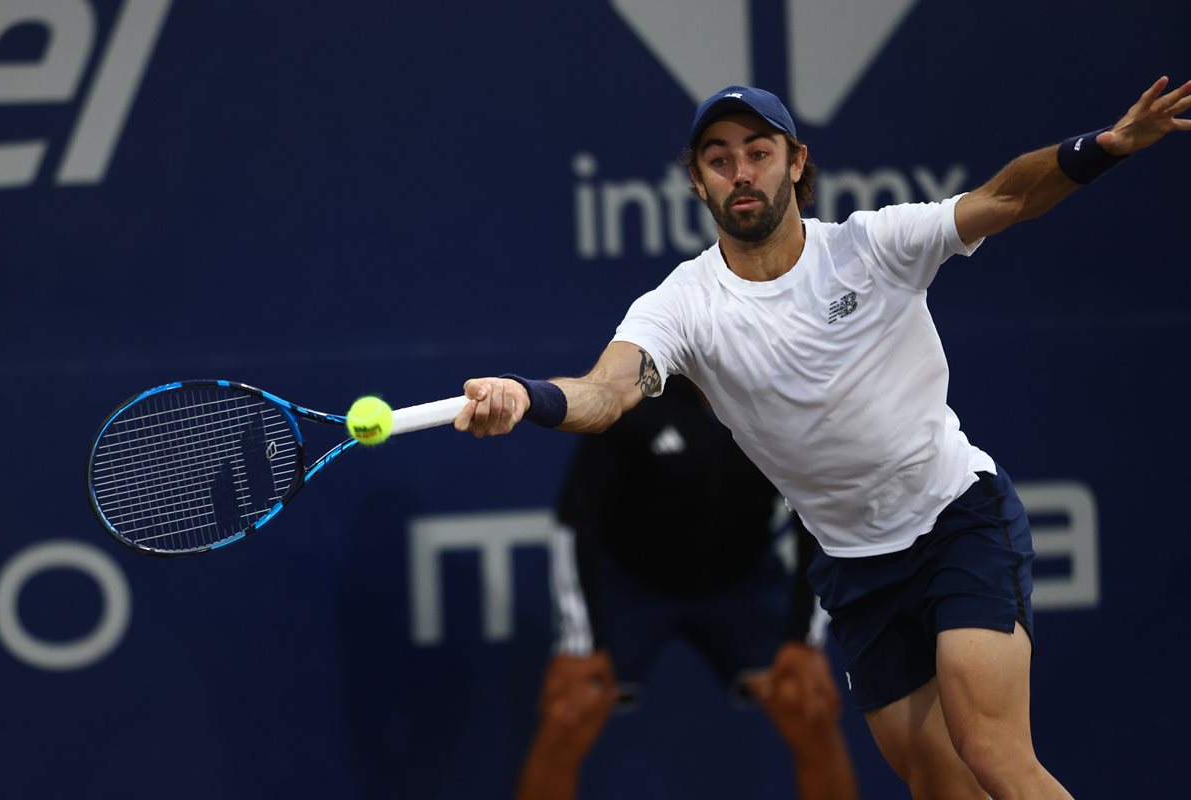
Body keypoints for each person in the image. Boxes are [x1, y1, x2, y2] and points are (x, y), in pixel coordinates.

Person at [455, 78, 1190, 798]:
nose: (741, 172)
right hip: (857, 570)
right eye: (718, 159)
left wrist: (1106, 145)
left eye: (759, 152)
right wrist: (527, 396)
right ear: (698, 181)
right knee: (939, 783)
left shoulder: (873, 246)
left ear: (796, 162)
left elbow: (1007, 198)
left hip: (957, 524)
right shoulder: (681, 304)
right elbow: (607, 391)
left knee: (991, 752)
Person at [515, 375, 857, 800]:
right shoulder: (634, 394)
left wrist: (804, 641)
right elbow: (577, 521)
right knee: (569, 713)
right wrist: (579, 644)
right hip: (632, 585)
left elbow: (819, 519)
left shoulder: (783, 402)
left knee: (809, 707)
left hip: (743, 582)